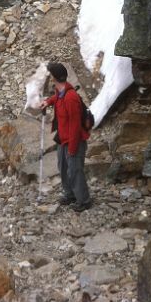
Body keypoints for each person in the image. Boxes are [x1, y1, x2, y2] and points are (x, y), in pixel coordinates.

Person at [40, 62, 91, 211]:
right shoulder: (61, 91)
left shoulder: (71, 98)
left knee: (75, 170)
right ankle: (70, 194)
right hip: (63, 139)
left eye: (50, 75)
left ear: (55, 78)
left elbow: (75, 126)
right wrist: (48, 102)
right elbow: (56, 98)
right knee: (63, 167)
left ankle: (84, 200)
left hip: (74, 141)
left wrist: (73, 149)